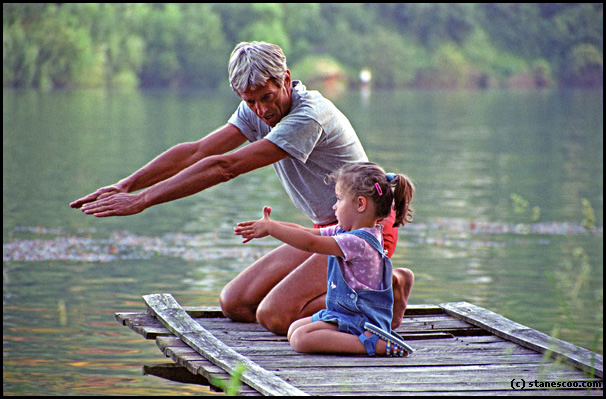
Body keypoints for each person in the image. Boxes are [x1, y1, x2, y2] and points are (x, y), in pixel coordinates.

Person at [69, 41, 414, 335]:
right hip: (326, 232)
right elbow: (199, 150)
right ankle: (365, 291)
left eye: (267, 97)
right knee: (235, 303)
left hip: (365, 235)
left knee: (275, 316)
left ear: (286, 80)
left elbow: (225, 167)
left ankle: (384, 285)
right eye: (250, 102)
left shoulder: (308, 117)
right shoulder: (256, 110)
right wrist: (126, 185)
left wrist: (141, 201)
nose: (262, 110)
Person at [234, 162, 415, 356]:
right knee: (294, 329)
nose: (334, 206)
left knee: (300, 339)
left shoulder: (358, 242)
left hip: (361, 319)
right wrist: (270, 224)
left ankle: (372, 344)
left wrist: (272, 230)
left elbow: (310, 243)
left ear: (360, 204)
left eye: (338, 199)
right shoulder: (345, 231)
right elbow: (306, 231)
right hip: (344, 313)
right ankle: (366, 340)